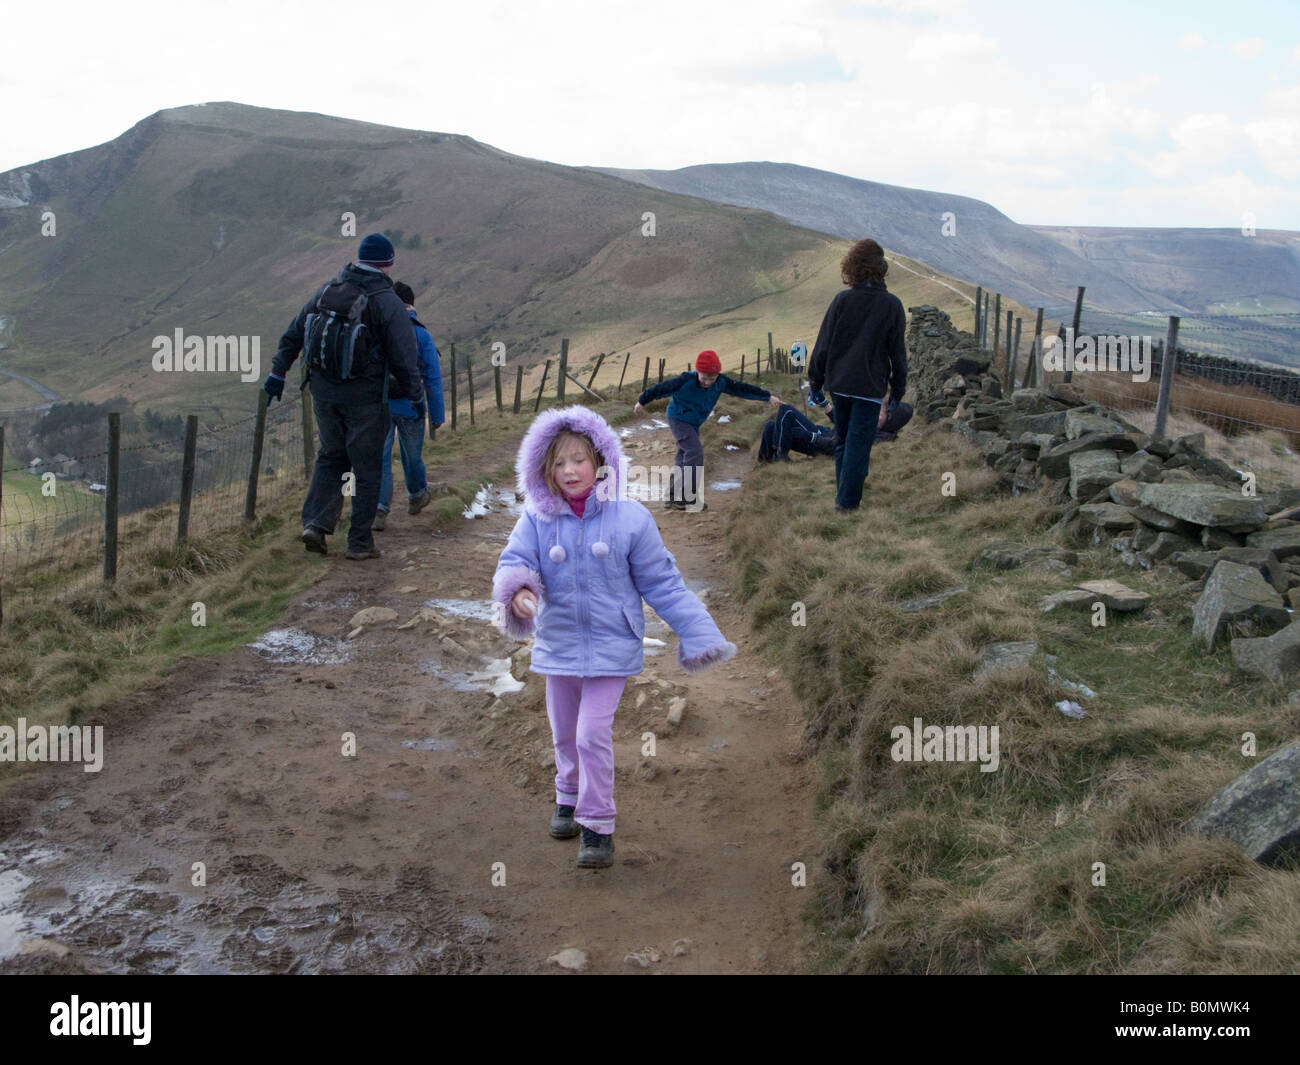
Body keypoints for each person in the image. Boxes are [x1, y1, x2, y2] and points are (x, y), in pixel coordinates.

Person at [492, 406, 737, 868]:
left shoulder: (631, 519)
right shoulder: (536, 520)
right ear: (544, 467)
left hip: (612, 647)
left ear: (602, 461)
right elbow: (514, 562)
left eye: (579, 460)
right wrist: (518, 592)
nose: (569, 471)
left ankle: (598, 824)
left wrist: (697, 633)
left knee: (590, 734)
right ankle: (567, 796)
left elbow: (663, 583)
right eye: (558, 462)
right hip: (559, 644)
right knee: (563, 733)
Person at [263, 233, 422, 558]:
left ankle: (315, 525)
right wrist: (416, 397)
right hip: (364, 398)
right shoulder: (386, 301)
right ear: (388, 264)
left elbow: (294, 332)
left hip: (323, 393)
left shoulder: (328, 291)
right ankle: (359, 542)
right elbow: (406, 357)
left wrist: (278, 371)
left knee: (331, 456)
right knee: (366, 468)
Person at [807, 238, 908, 514]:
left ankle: (844, 498)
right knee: (858, 446)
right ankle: (847, 504)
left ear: (853, 267)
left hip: (839, 384)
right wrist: (897, 390)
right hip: (869, 387)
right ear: (881, 268)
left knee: (843, 441)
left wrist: (815, 381)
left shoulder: (842, 300)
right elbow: (897, 354)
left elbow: (823, 345)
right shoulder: (892, 306)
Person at [634, 350, 781, 511]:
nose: (708, 382)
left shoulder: (721, 382)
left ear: (718, 374)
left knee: (684, 455)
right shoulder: (685, 380)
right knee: (694, 452)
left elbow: (742, 388)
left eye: (712, 378)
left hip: (694, 422)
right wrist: (642, 401)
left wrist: (767, 396)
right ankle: (686, 497)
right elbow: (661, 388)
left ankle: (673, 496)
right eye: (704, 378)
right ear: (697, 372)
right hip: (678, 418)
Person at [374, 281, 445, 531]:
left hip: (381, 406)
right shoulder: (422, 334)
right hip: (411, 406)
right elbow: (432, 378)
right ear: (412, 304)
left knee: (380, 458)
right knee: (412, 456)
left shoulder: (380, 330)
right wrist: (437, 414)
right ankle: (416, 496)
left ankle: (379, 509)